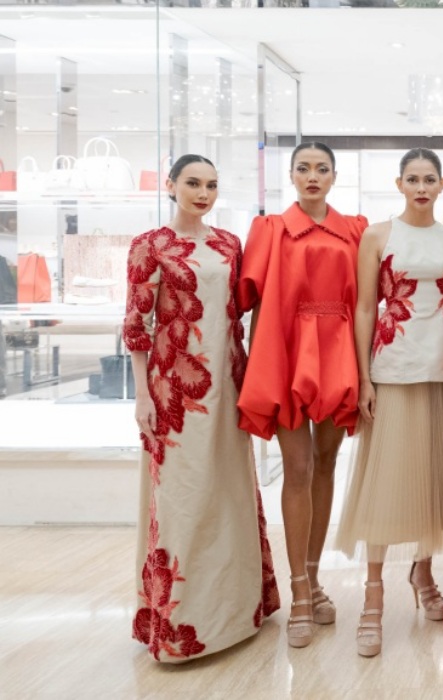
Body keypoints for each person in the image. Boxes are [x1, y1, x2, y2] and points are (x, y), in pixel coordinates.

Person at [126, 154, 279, 662]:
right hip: (175, 391)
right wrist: (143, 396)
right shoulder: (149, 245)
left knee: (228, 493)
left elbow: (239, 314)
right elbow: (136, 326)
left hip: (229, 384)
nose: (203, 193)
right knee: (183, 499)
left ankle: (236, 614)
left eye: (211, 185)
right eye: (193, 183)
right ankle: (179, 626)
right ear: (171, 185)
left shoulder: (228, 244)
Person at [237, 142, 368, 648]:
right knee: (298, 468)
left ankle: (314, 579)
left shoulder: (355, 229)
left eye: (322, 169)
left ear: (334, 176)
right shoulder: (270, 228)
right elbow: (250, 304)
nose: (312, 176)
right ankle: (298, 592)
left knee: (327, 464)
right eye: (303, 168)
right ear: (291, 175)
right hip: (288, 351)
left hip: (339, 350)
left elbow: (368, 298)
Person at [336, 148, 443, 657]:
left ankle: (423, 574)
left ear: (442, 184)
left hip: (441, 367)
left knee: (433, 477)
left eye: (430, 179)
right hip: (392, 364)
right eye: (413, 179)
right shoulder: (378, 235)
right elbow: (365, 307)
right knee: (384, 482)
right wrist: (363, 377)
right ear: (399, 183)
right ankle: (373, 595)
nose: (421, 187)